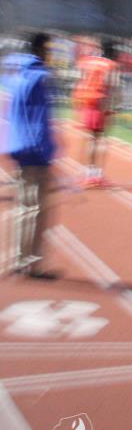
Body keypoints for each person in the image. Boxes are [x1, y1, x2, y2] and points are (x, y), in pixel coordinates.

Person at [3, 33, 57, 279]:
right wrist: (47, 151)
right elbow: (41, 120)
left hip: (18, 146)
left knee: (23, 206)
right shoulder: (41, 77)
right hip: (35, 149)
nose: (51, 54)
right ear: (41, 50)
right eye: (49, 49)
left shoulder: (16, 75)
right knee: (38, 208)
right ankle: (32, 264)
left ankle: (18, 257)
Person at [72, 38, 119, 185]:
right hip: (101, 101)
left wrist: (77, 103)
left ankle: (87, 172)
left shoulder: (87, 61)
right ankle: (98, 174)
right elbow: (113, 86)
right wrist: (113, 106)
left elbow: (79, 81)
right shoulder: (111, 65)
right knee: (101, 138)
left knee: (89, 138)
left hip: (87, 100)